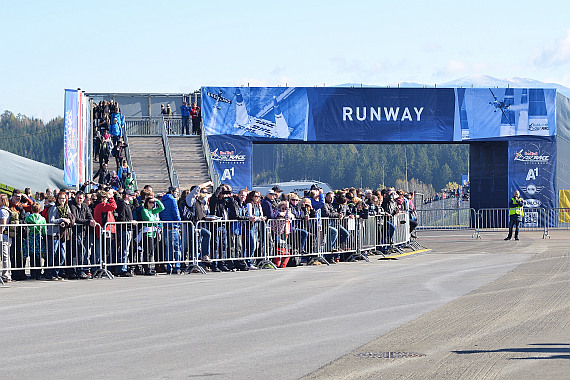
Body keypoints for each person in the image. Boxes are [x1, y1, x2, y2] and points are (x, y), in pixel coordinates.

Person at [45, 191, 75, 280]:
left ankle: (56, 272)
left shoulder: (67, 207)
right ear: (57, 199)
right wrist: (62, 219)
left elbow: (70, 218)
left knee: (62, 255)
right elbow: (51, 220)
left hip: (63, 234)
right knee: (52, 254)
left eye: (63, 198)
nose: (62, 200)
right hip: (54, 234)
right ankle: (49, 273)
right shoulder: (54, 208)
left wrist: (66, 221)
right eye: (60, 198)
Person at [69, 191, 97, 279]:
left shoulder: (85, 206)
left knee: (80, 251)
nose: (79, 199)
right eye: (78, 197)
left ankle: (78, 270)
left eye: (81, 198)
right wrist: (88, 222)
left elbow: (89, 216)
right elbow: (75, 218)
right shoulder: (72, 205)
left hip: (82, 232)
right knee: (81, 251)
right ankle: (78, 270)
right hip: (74, 232)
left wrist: (92, 221)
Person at [113, 190, 138, 276]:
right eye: (131, 195)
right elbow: (122, 218)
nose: (132, 197)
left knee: (125, 250)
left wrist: (135, 198)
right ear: (127, 195)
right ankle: (122, 268)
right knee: (124, 250)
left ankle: (122, 267)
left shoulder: (127, 204)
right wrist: (131, 221)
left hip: (128, 229)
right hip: (125, 229)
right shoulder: (122, 204)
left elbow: (135, 206)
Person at [139, 196, 165, 275]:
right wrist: (156, 220)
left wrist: (156, 200)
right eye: (150, 202)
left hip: (154, 233)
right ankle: (147, 268)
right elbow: (149, 220)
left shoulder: (153, 211)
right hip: (147, 233)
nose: (151, 204)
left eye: (152, 203)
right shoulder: (144, 210)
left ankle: (149, 267)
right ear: (146, 203)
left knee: (151, 251)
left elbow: (162, 208)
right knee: (147, 251)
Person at [160, 186, 182, 274]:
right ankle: (177, 267)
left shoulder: (163, 200)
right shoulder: (172, 200)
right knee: (177, 248)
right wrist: (179, 222)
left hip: (165, 227)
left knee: (168, 248)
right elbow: (175, 212)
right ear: (172, 191)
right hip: (173, 227)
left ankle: (169, 267)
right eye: (176, 192)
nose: (177, 193)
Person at [23, 203, 47, 280]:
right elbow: (44, 230)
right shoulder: (42, 219)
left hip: (30, 237)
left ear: (31, 209)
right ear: (39, 210)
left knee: (31, 256)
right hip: (38, 238)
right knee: (38, 256)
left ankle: (32, 273)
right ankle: (38, 273)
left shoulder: (28, 218)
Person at [0, 194, 13, 283]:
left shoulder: (2, 210)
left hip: (3, 235)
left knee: (5, 255)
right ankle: (7, 273)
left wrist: (0, 232)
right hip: (7, 235)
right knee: (6, 255)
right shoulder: (7, 209)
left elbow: (3, 223)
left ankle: (6, 275)